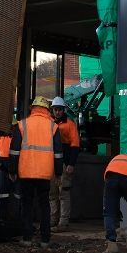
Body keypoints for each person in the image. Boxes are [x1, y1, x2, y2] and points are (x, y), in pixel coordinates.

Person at [9, 96, 62, 248]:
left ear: (33, 108)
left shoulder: (22, 124)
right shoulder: (53, 127)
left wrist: (12, 170)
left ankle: (27, 238)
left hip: (25, 172)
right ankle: (45, 240)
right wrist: (58, 173)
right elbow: (58, 153)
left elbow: (14, 151)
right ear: (47, 110)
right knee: (44, 205)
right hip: (44, 173)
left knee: (27, 205)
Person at [49, 96, 79, 231]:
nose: (57, 112)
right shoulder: (49, 123)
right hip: (51, 163)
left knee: (63, 193)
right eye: (55, 109)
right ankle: (53, 219)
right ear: (52, 110)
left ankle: (63, 222)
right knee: (52, 193)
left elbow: (75, 146)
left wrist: (71, 164)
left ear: (63, 110)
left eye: (60, 110)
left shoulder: (70, 124)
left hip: (64, 163)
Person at [0, 122, 16, 220]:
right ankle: (2, 217)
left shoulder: (19, 138)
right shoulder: (0, 137)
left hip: (16, 171)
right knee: (3, 195)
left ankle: (17, 218)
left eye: (13, 127)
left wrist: (14, 172)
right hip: (4, 170)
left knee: (18, 195)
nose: (10, 128)